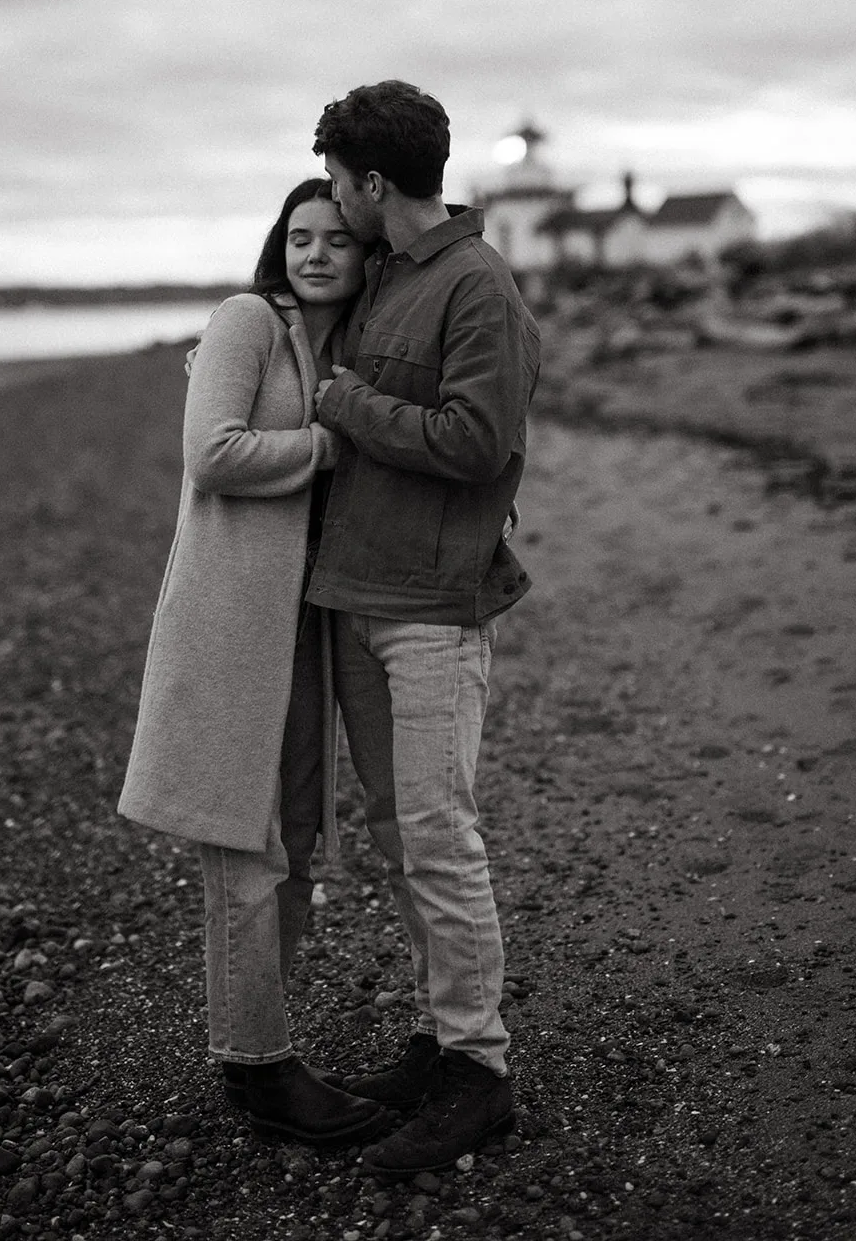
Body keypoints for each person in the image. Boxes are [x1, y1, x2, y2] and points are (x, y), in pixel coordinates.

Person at [117, 178, 389, 1147]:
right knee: (245, 837)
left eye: (336, 240)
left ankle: (257, 1041)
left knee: (298, 836)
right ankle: (259, 1065)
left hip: (305, 622)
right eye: (299, 236)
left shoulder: (346, 347)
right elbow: (214, 453)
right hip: (232, 621)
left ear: (365, 254)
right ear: (281, 245)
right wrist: (331, 444)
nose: (315, 253)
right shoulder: (246, 320)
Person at [305, 80, 542, 1176]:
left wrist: (347, 402)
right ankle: (440, 1038)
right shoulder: (389, 274)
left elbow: (478, 442)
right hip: (356, 595)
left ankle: (480, 1073)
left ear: (372, 181)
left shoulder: (477, 284)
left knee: (440, 839)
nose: (333, 200)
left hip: (434, 612)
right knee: (402, 840)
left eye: (338, 182)